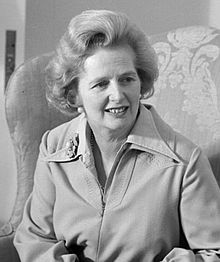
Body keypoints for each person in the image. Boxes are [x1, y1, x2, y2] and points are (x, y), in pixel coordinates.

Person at [14, 9, 220, 262]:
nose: (118, 95)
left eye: (127, 79)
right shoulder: (54, 146)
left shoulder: (184, 161)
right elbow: (35, 238)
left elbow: (214, 252)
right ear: (74, 95)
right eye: (101, 84)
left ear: (141, 82)